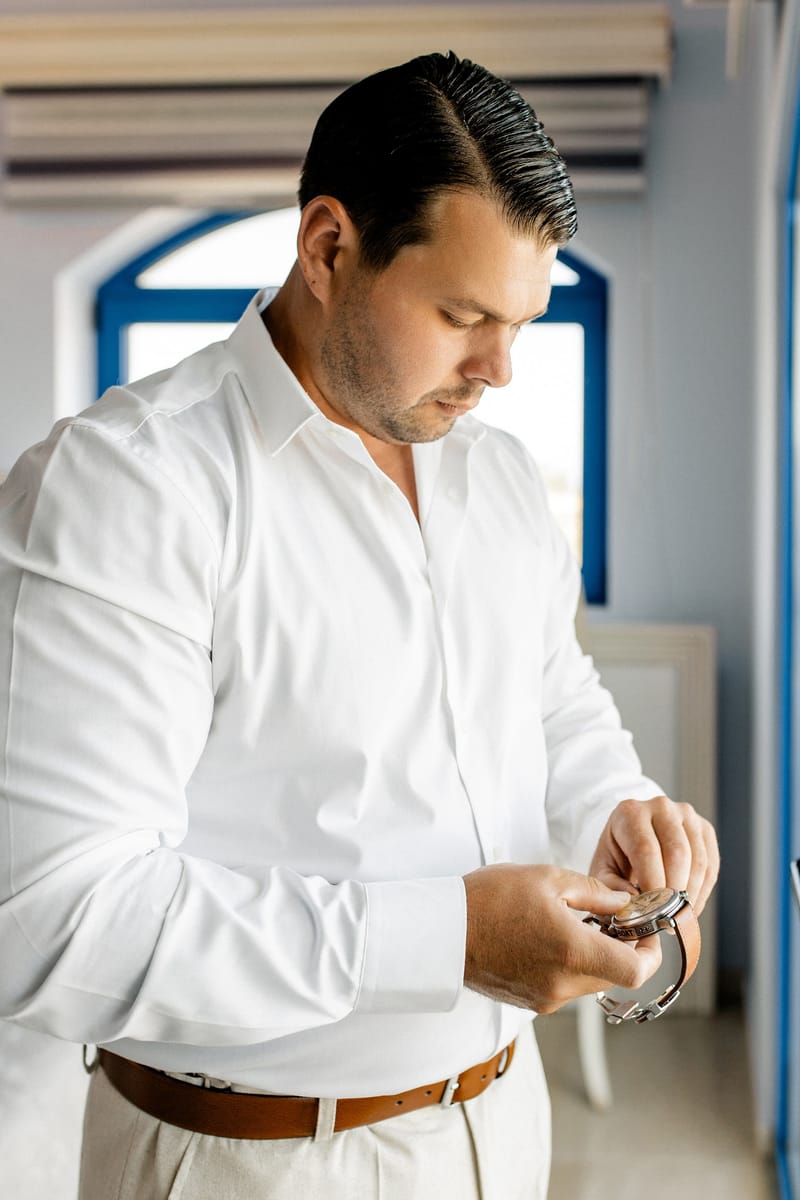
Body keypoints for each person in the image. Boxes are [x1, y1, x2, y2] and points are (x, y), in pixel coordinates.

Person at [0, 51, 718, 1200]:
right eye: (461, 315)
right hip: (242, 1160)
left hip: (501, 1126)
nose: (498, 369)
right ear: (328, 247)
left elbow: (553, 706)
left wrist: (618, 812)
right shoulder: (123, 487)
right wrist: (450, 940)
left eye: (521, 323)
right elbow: (51, 919)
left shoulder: (498, 478)